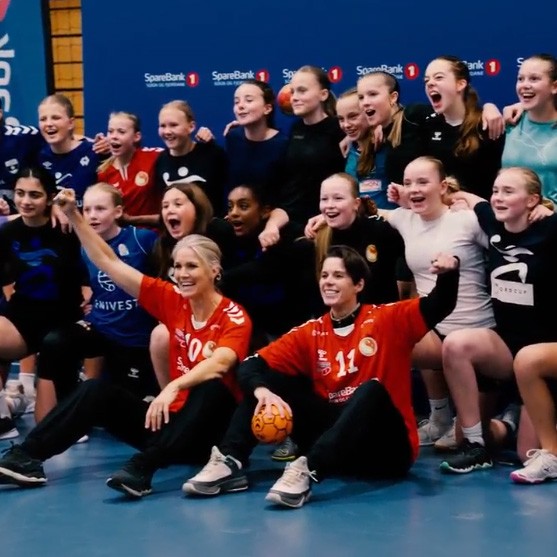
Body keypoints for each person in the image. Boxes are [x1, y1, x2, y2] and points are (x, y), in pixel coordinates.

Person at [0, 189, 252, 498]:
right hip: (169, 424)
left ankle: (143, 468)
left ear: (214, 270)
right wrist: (74, 215)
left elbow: (221, 362)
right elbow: (108, 261)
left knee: (213, 386)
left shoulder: (233, 315)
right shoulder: (173, 299)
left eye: (192, 266)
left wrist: (173, 387)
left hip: (207, 436)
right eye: (177, 267)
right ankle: (26, 457)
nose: (182, 274)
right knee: (95, 390)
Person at [182, 245, 460, 508]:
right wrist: (261, 391)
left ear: (358, 284)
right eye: (324, 275)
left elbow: (439, 304)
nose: (328, 281)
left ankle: (307, 469)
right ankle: (229, 461)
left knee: (372, 389)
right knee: (269, 382)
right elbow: (251, 365)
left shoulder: (387, 319)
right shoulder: (312, 331)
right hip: (339, 448)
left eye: (338, 275)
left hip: (386, 452)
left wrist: (449, 274)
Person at [437, 167, 557, 475]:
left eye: (508, 192)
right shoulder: (492, 221)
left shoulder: (551, 228)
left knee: (527, 454)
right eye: (495, 191)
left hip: (546, 354)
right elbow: (467, 197)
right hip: (508, 347)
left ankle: (526, 419)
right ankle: (477, 444)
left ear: (532, 200)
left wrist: (553, 209)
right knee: (457, 344)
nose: (498, 198)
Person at [33, 183, 159, 422]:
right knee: (56, 342)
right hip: (100, 329)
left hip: (136, 338)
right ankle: (68, 414)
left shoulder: (143, 239)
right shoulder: (84, 247)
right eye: (87, 209)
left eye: (100, 209)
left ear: (118, 212)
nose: (92, 215)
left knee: (128, 412)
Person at [0, 168, 86, 439]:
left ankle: (64, 399)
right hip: (23, 317)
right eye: (20, 193)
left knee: (48, 428)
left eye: (35, 195)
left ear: (49, 198)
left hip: (62, 322)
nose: (25, 201)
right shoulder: (8, 231)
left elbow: (86, 270)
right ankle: (2, 419)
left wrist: (68, 211)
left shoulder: (67, 227)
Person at [422, 55, 505, 200]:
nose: (430, 83)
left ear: (460, 84)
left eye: (438, 77)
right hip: (440, 210)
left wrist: (489, 106)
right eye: (426, 80)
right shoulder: (427, 125)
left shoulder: (486, 124)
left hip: (480, 209)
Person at [277, 65, 346, 225]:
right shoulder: (295, 128)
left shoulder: (340, 128)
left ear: (323, 94)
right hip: (294, 219)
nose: (294, 97)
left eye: (302, 91)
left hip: (328, 219)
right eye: (292, 91)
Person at [154, 100, 228, 215]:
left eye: (173, 125)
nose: (167, 131)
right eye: (162, 126)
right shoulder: (160, 161)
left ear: (191, 126)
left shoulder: (212, 154)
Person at [502, 54, 557, 206]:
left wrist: (551, 211)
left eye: (534, 79)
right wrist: (489, 107)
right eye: (520, 79)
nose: (524, 85)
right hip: (510, 218)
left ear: (554, 87)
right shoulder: (510, 122)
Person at [97, 111, 163, 227]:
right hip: (123, 235)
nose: (114, 136)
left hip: (155, 233)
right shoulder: (104, 172)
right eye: (110, 131)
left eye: (121, 132)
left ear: (136, 136)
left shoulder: (153, 157)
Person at [37, 94, 102, 207]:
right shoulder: (38, 157)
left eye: (55, 118)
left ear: (71, 123)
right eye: (43, 119)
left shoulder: (95, 152)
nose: (48, 124)